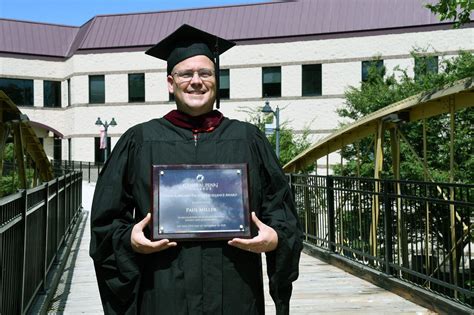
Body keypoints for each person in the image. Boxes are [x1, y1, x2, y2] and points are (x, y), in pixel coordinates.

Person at [89, 24, 303, 315]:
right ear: (170, 82)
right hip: (163, 291)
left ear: (217, 80)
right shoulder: (139, 141)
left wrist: (276, 238)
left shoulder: (248, 139)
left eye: (205, 73)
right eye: (186, 74)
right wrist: (129, 240)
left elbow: (281, 210)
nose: (196, 81)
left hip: (236, 292)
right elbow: (107, 220)